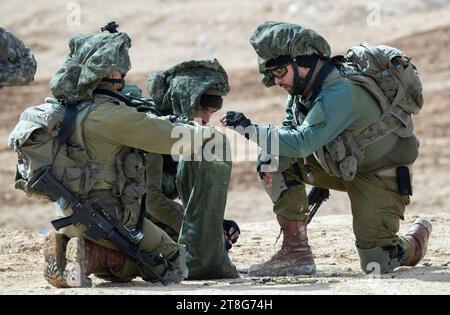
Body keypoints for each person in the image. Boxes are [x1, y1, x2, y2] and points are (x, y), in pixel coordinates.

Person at [220, 21, 431, 276]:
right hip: (342, 164)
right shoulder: (301, 92)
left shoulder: (341, 91)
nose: (276, 81)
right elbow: (289, 135)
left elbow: (302, 142)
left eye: (279, 72)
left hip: (378, 174)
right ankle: (295, 253)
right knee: (273, 155)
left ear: (304, 62)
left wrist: (250, 129)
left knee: (377, 262)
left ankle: (415, 242)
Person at [26, 28, 213, 287]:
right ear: (109, 72)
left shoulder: (71, 108)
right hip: (108, 216)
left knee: (134, 248)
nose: (123, 76)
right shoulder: (110, 115)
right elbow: (170, 137)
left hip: (67, 213)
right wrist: (204, 133)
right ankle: (89, 257)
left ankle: (68, 247)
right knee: (170, 261)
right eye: (119, 71)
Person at [143, 59, 239, 279]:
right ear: (185, 101)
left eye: (212, 111)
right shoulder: (154, 125)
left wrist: (215, 225)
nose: (206, 118)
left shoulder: (186, 132)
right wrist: (199, 229)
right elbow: (151, 199)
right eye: (202, 109)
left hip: (157, 219)